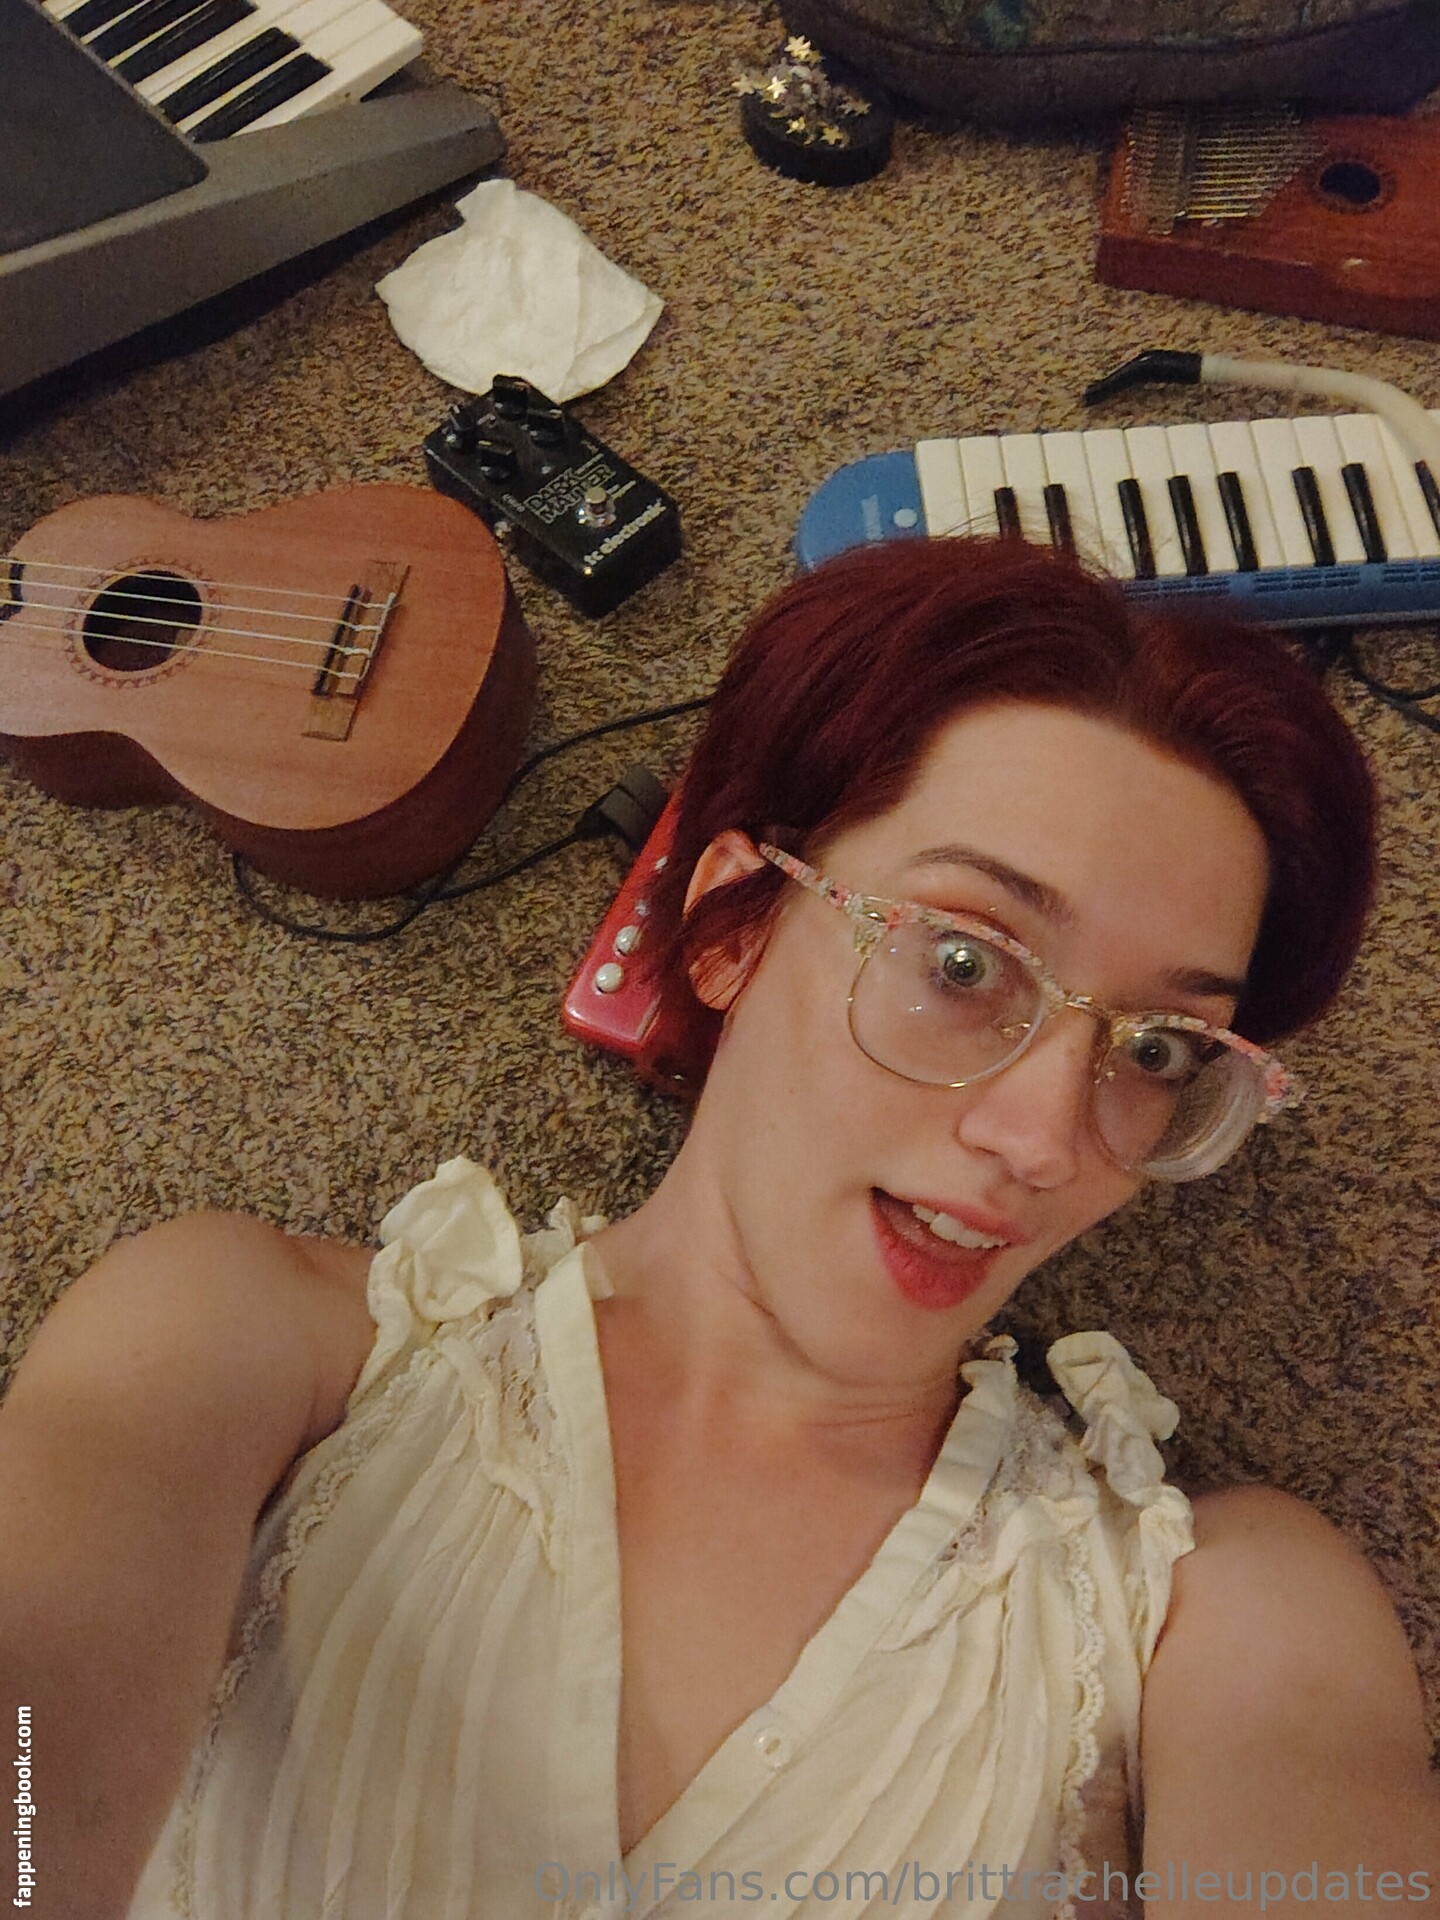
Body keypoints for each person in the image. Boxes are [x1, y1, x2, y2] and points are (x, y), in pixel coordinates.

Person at [1, 537, 1435, 1920]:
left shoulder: (1234, 1616)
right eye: (961, 961)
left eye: (1158, 1051)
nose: (1045, 1142)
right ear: (735, 922)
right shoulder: (230, 1335)